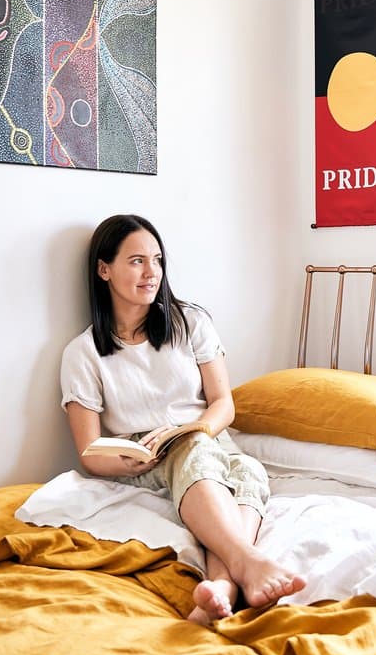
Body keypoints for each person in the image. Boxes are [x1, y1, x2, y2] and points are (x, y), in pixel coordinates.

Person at [59, 213, 305, 624]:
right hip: (143, 453)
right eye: (136, 261)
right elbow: (88, 450)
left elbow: (224, 403)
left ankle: (222, 588)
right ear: (104, 269)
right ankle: (247, 561)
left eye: (156, 259)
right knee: (197, 454)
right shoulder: (83, 353)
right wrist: (133, 457)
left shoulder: (190, 321)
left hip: (203, 435)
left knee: (247, 471)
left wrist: (197, 431)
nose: (151, 272)